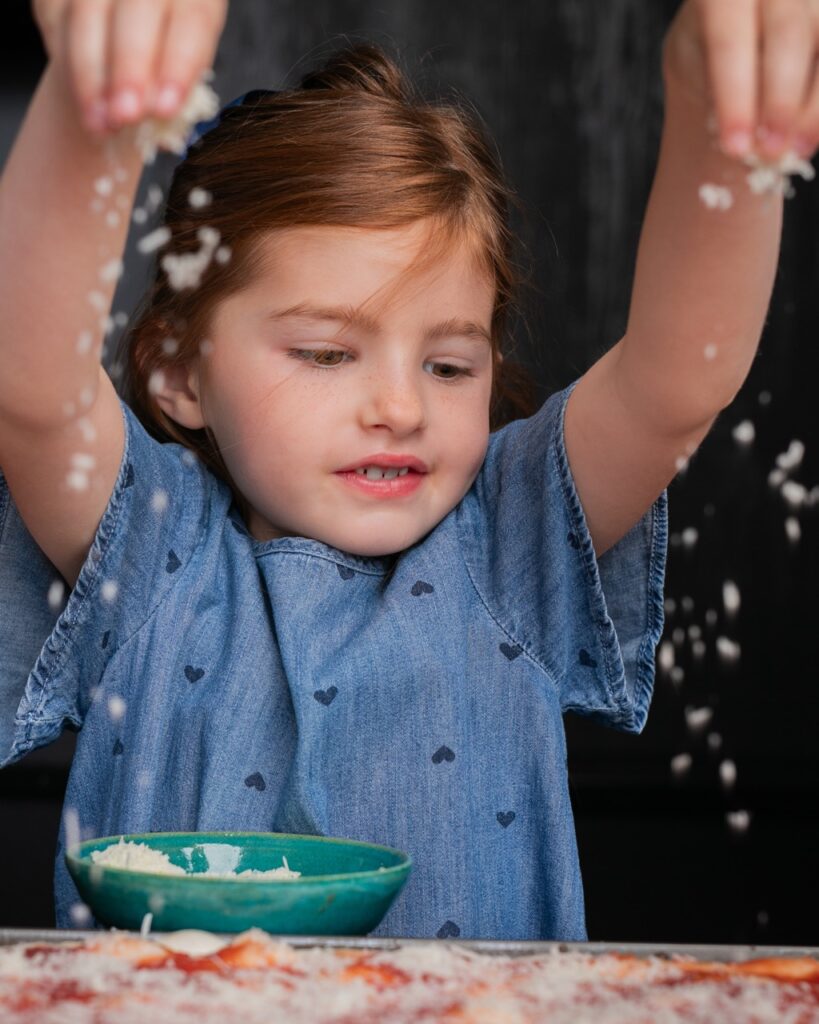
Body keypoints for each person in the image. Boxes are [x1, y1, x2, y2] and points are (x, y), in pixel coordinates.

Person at [0, 0, 816, 939]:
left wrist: (724, 127)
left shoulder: (514, 542)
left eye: (449, 366)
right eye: (325, 353)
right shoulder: (148, 552)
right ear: (181, 373)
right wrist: (90, 111)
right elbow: (32, 385)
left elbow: (677, 382)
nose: (401, 405)